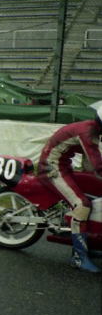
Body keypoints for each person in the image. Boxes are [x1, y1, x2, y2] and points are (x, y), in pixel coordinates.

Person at [37, 108, 102, 273]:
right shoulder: (88, 133)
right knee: (82, 205)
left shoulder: (92, 130)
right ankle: (79, 257)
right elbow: (97, 165)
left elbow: (91, 163)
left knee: (93, 195)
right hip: (51, 168)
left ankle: (86, 245)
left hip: (64, 165)